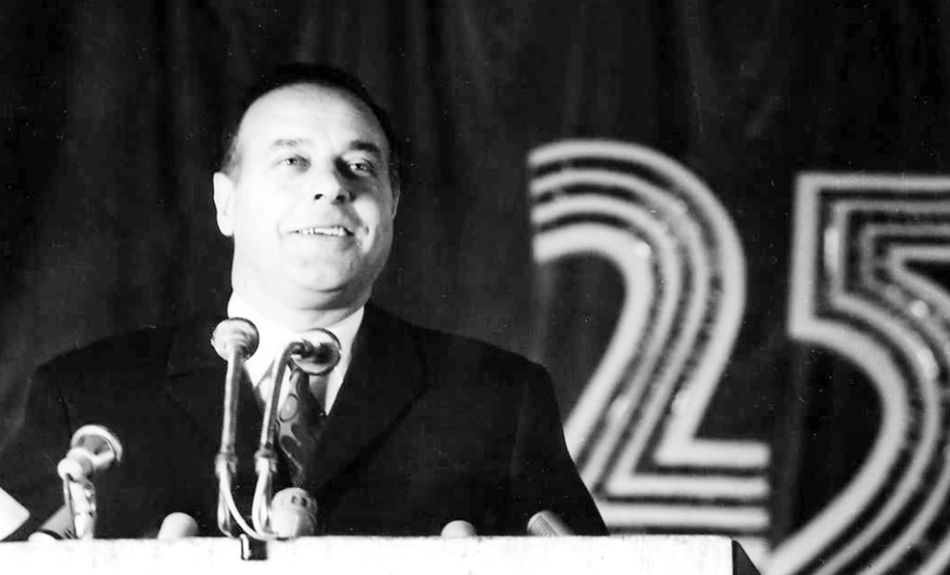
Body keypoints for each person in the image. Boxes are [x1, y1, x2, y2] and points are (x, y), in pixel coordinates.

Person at [0, 64, 606, 539]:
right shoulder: (84, 396)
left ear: (392, 204)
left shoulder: (500, 399)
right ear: (225, 203)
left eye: (359, 165)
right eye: (292, 161)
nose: (331, 186)